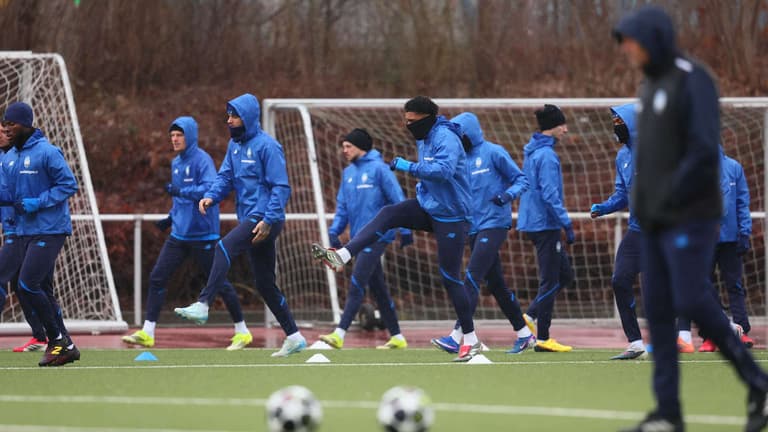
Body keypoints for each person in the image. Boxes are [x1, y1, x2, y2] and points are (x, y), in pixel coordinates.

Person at [614, 6, 768, 432]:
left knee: (691, 297)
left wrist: (668, 196)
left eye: (632, 42)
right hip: (656, 219)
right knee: (658, 308)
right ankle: (668, 413)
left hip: (692, 214)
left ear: (653, 38)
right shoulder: (649, 86)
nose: (627, 50)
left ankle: (758, 384)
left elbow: (702, 151)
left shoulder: (693, 79)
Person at [311, 96, 479, 362]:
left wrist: (408, 167)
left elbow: (444, 171)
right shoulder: (425, 137)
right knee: (389, 213)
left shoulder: (445, 136)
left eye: (411, 121)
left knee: (450, 277)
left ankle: (469, 339)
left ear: (427, 118)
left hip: (452, 216)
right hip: (431, 208)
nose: (407, 125)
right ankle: (343, 254)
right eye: (406, 120)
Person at [174, 94, 306, 357]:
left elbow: (281, 187)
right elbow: (225, 177)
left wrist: (268, 220)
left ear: (247, 118)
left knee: (223, 247)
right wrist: (211, 196)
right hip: (249, 217)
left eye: (234, 115)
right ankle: (294, 336)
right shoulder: (234, 146)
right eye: (228, 115)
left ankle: (203, 303)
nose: (229, 120)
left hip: (265, 217)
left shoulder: (268, 146)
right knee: (264, 283)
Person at [122, 116, 252, 350]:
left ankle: (242, 331)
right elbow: (179, 200)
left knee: (219, 283)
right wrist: (170, 218)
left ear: (190, 136)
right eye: (172, 135)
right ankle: (147, 332)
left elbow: (209, 189)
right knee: (157, 277)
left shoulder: (203, 160)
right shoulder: (176, 163)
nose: (175, 139)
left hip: (203, 235)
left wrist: (182, 191)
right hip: (179, 235)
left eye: (179, 135)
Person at [430, 112, 536, 355]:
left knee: (472, 276)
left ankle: (457, 336)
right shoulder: (458, 159)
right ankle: (524, 334)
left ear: (469, 133)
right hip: (472, 227)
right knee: (496, 285)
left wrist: (506, 196)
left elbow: (521, 180)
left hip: (494, 224)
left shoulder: (494, 152)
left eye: (459, 135)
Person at [316, 128, 412, 350]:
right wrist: (334, 231)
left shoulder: (380, 169)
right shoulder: (348, 173)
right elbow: (342, 207)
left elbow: (398, 199)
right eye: (343, 146)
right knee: (378, 288)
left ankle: (339, 333)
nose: (344, 150)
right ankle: (397, 336)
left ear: (360, 147)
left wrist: (406, 230)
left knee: (357, 281)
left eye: (348, 146)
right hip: (358, 238)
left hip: (379, 236)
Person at [0, 101, 80, 366]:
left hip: (50, 228)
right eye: (5, 123)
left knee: (27, 284)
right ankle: (66, 344)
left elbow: (68, 184)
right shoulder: (9, 158)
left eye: (11, 123)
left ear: (25, 124)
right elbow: (9, 195)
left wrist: (39, 202)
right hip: (25, 231)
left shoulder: (48, 152)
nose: (6, 128)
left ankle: (57, 340)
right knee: (39, 287)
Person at [678, 146, 754, 353]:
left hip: (731, 238)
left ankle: (741, 330)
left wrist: (744, 232)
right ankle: (710, 335)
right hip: (703, 240)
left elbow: (742, 202)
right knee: (704, 287)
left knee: (735, 285)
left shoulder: (734, 167)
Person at [589, 103, 646, 360]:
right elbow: (622, 194)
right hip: (637, 231)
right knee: (620, 279)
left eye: (620, 123)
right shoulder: (622, 157)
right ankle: (635, 343)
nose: (616, 128)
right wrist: (603, 208)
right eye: (614, 124)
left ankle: (725, 327)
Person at [516, 104, 574, 353]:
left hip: (533, 221)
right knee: (550, 280)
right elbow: (550, 195)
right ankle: (543, 338)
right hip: (544, 223)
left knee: (565, 275)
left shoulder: (533, 151)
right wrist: (566, 222)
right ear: (553, 127)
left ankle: (530, 315)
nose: (566, 129)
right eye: (562, 124)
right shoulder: (547, 156)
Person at [0, 121, 48, 352]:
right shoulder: (6, 158)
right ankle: (41, 336)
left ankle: (54, 336)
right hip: (14, 229)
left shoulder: (20, 159)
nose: (2, 135)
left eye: (4, 131)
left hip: (23, 231)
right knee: (22, 285)